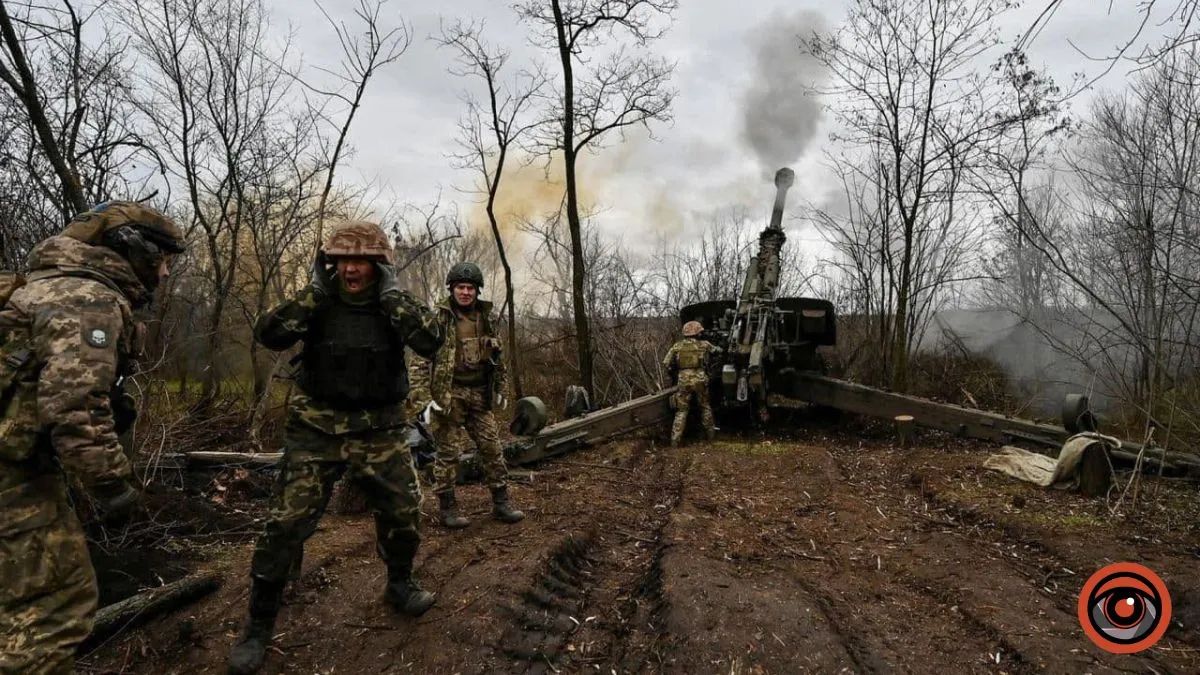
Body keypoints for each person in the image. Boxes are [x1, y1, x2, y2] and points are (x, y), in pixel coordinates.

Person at [227, 221, 443, 674]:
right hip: (316, 429)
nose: (351, 269)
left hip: (379, 429)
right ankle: (259, 624)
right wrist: (314, 293)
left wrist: (392, 296)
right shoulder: (317, 302)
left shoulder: (392, 305)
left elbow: (431, 340)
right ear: (331, 263)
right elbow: (270, 334)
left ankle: (399, 584)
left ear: (379, 265)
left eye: (361, 260)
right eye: (343, 259)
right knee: (286, 524)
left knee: (404, 511)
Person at [0, 201, 185, 673]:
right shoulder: (86, 298)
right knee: (54, 609)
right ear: (132, 250)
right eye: (162, 259)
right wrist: (114, 490)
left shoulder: (40, 287)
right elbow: (75, 407)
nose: (164, 273)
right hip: (13, 479)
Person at [420, 262, 524, 529]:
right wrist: (422, 399)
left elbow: (498, 357)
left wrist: (501, 387)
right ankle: (448, 508)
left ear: (477, 291)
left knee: (492, 448)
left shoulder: (486, 318)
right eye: (460, 288)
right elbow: (419, 360)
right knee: (448, 454)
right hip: (450, 396)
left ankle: (501, 503)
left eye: (470, 288)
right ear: (452, 289)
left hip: (479, 394)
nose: (465, 292)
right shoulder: (439, 319)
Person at [663, 320, 721, 447]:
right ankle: (711, 437)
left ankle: (675, 441)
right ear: (698, 333)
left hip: (683, 380)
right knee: (705, 407)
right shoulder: (704, 344)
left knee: (681, 411)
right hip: (700, 379)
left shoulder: (677, 346)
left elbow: (666, 363)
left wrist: (674, 371)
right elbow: (718, 351)